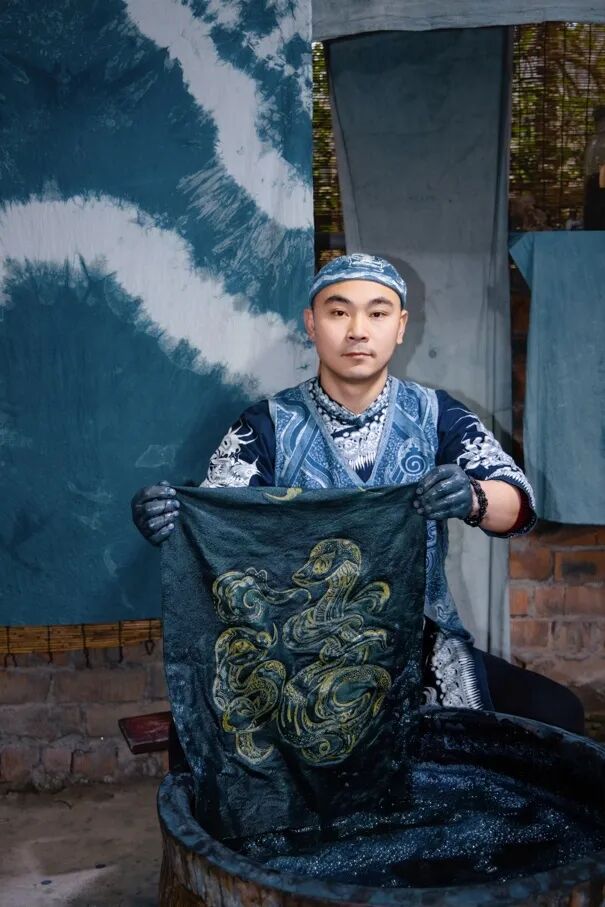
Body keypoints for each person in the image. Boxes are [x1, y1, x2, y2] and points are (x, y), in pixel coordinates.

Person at [132, 253, 584, 735]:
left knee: (558, 714)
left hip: (417, 640)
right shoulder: (266, 426)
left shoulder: (437, 415)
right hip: (295, 648)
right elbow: (215, 523)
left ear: (401, 326)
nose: (358, 331)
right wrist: (170, 519)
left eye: (378, 312)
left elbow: (518, 506)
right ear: (311, 324)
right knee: (206, 738)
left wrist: (473, 497)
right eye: (338, 312)